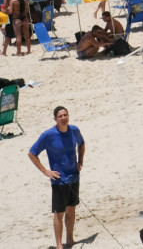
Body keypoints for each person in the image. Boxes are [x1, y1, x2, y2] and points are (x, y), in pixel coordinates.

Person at [28, 106, 86, 249]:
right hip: (59, 180)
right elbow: (32, 153)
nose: (63, 118)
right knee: (59, 213)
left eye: (65, 115)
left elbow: (82, 144)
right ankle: (59, 245)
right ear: (55, 119)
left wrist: (80, 162)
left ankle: (70, 240)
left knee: (71, 209)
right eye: (60, 116)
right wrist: (45, 171)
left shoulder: (74, 130)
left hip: (74, 177)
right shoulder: (48, 135)